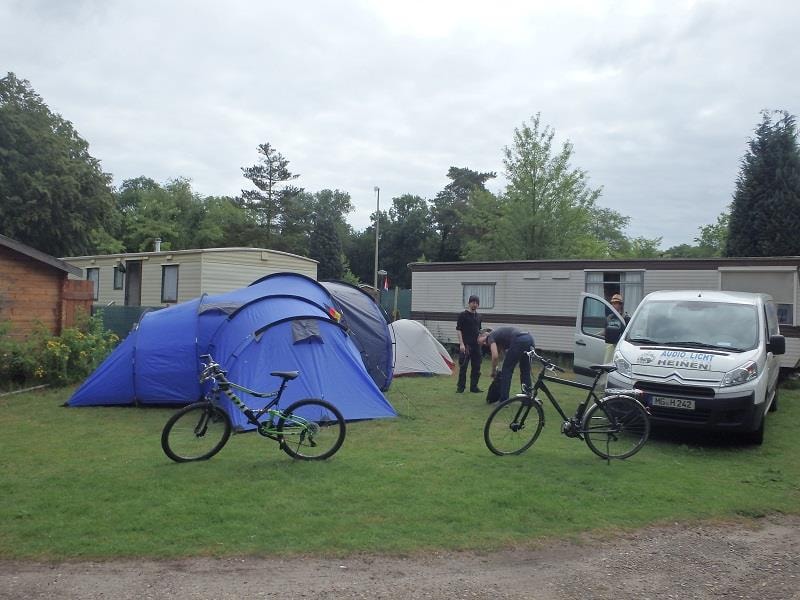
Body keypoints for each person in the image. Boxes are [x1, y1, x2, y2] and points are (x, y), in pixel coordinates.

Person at [477, 326, 535, 404]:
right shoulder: (500, 336)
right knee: (525, 371)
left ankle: (503, 400)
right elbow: (503, 354)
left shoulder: (491, 336)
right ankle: (527, 399)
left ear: (484, 335)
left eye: (483, 342)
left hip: (519, 340)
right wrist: (499, 368)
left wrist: (493, 371)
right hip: (529, 339)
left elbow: (495, 356)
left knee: (506, 371)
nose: (485, 344)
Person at [456, 295, 483, 393]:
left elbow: (479, 330)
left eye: (476, 303)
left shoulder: (479, 316)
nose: (474, 304)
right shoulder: (463, 315)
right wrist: (461, 344)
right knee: (463, 367)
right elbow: (458, 330)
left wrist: (483, 336)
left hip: (476, 346)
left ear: (478, 305)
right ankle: (461, 388)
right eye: (473, 302)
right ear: (469, 303)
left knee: (476, 367)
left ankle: (474, 387)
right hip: (466, 345)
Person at [604, 293, 631, 364]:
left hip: (621, 347)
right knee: (607, 365)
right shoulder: (609, 317)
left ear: (621, 305)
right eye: (612, 303)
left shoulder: (626, 318)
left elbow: (628, 334)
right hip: (610, 345)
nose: (614, 305)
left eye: (616, 303)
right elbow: (605, 331)